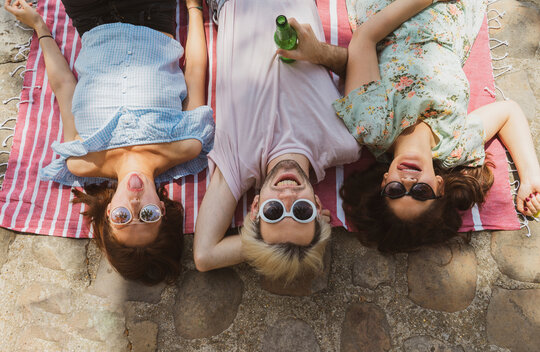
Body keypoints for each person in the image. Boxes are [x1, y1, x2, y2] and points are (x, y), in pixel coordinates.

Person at [277, 0, 540, 252]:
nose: (408, 181)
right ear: (438, 185)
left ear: (384, 182)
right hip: (451, 13)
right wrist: (530, 177)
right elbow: (508, 113)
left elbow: (364, 39)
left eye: (395, 190)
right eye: (420, 192)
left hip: (389, 8)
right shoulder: (456, 146)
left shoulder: (374, 127)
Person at [5, 0, 215, 284]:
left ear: (107, 214)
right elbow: (195, 71)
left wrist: (39, 26)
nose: (135, 202)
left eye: (123, 216)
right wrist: (194, 7)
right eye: (148, 214)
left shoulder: (81, 162)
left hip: (91, 17)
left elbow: (65, 86)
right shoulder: (187, 145)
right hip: (151, 14)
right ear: (163, 210)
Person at [193, 0, 361, 282]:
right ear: (319, 208)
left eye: (273, 212)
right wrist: (318, 52)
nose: (287, 197)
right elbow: (358, 62)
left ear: (255, 206)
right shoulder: (345, 142)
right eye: (302, 211)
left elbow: (205, 256)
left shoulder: (238, 165)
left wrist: (268, 244)